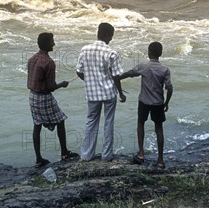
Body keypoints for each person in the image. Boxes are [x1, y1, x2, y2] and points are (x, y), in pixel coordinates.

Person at [116, 42, 173, 169]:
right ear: (160, 53)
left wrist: (117, 78)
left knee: (140, 123)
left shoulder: (144, 66)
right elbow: (169, 88)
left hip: (144, 102)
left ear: (149, 52)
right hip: (158, 103)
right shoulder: (165, 69)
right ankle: (160, 160)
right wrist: (166, 103)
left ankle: (141, 153)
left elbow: (130, 73)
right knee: (159, 129)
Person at [27, 32, 79, 168]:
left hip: (32, 96)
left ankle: (38, 159)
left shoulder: (32, 59)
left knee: (37, 125)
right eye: (52, 41)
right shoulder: (49, 63)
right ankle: (64, 153)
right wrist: (62, 84)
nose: (54, 44)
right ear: (46, 44)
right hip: (44, 97)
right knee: (60, 121)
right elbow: (50, 87)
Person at [76, 22, 124, 161]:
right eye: (111, 36)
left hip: (92, 93)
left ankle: (86, 155)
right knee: (109, 122)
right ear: (108, 35)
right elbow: (116, 76)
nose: (111, 39)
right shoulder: (112, 53)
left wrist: (89, 81)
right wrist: (121, 93)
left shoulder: (85, 50)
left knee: (91, 122)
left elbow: (79, 71)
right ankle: (107, 155)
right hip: (109, 93)